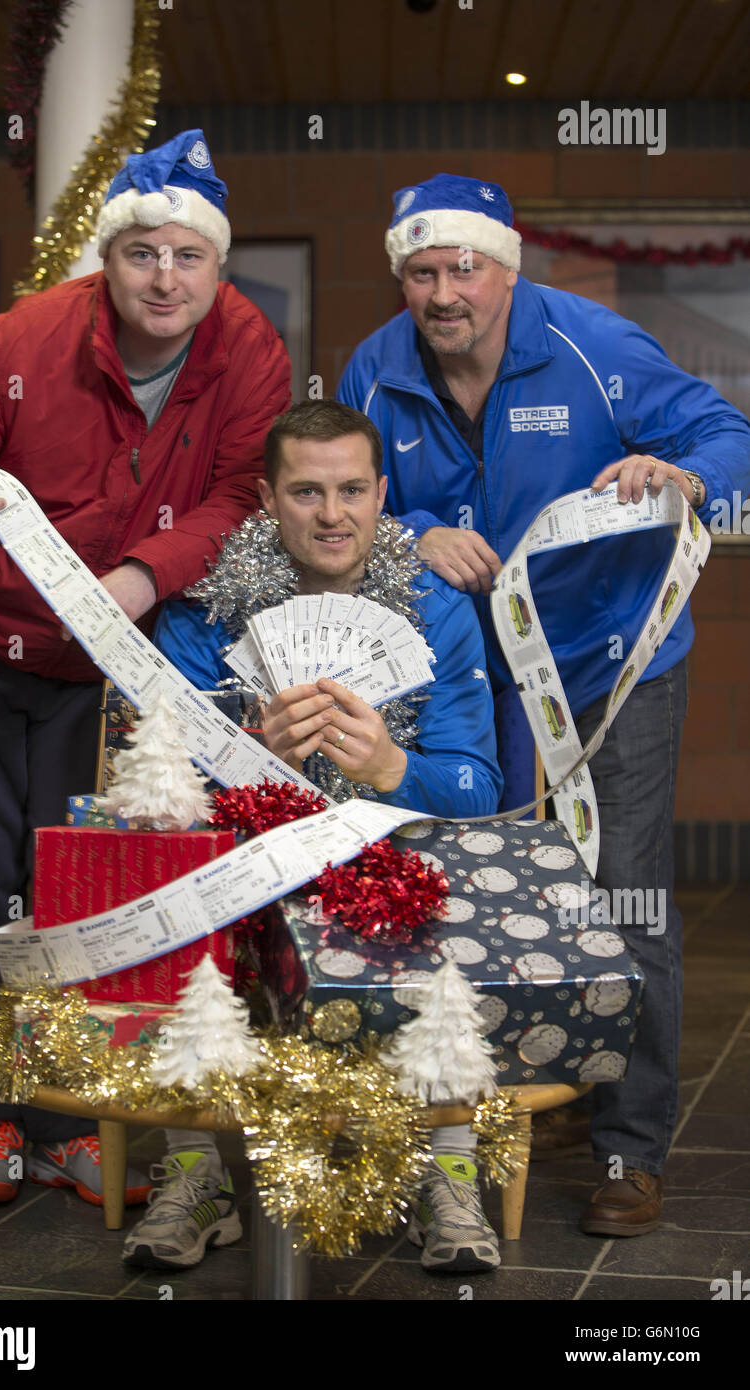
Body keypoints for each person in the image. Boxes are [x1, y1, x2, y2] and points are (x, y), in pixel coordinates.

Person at [337, 174, 750, 1238]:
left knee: (618, 897)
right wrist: (409, 531)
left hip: (609, 665)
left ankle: (627, 1144)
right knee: (471, 888)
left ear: (504, 267)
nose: (443, 292)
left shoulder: (591, 344)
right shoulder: (373, 372)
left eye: (462, 267)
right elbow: (344, 499)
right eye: (421, 272)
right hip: (470, 676)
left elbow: (724, 430)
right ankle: (485, 1109)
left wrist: (684, 474)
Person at [0, 130, 291, 1208]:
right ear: (106, 262)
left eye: (187, 257)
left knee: (73, 888)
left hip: (111, 647)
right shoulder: (20, 336)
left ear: (216, 266)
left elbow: (237, 496)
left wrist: (138, 577)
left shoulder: (249, 349)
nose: (165, 278)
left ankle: (69, 1120)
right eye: (141, 255)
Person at [129, 399, 504, 1274]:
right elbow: (160, 785)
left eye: (349, 491)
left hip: (385, 852)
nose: (331, 515)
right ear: (267, 498)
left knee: (433, 882)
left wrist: (388, 768)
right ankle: (192, 1170)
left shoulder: (435, 608)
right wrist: (246, 760)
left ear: (382, 494)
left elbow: (476, 787)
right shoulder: (208, 608)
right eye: (305, 492)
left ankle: (447, 1168)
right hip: (248, 862)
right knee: (176, 890)